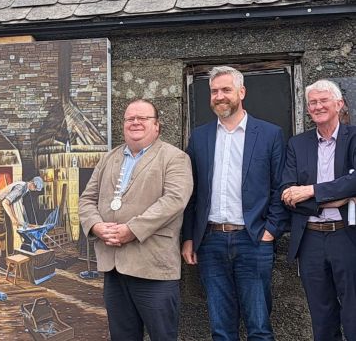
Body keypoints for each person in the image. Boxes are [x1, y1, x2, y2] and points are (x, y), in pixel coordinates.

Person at [182, 66, 288, 341]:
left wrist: (270, 231)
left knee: (260, 328)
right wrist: (189, 238)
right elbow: (192, 194)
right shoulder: (200, 137)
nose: (220, 96)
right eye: (214, 91)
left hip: (253, 240)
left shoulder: (269, 134)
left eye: (226, 90)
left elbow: (280, 187)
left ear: (241, 92)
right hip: (211, 242)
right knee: (221, 329)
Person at [79, 99, 193, 341]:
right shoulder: (108, 159)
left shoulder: (175, 158)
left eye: (143, 118)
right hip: (114, 267)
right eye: (130, 118)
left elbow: (174, 200)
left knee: (163, 336)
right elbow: (86, 199)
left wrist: (132, 229)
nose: (136, 122)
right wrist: (96, 226)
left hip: (153, 267)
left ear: (157, 126)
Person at [280, 79, 356, 341]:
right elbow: (288, 192)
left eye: (323, 100)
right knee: (321, 316)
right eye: (312, 102)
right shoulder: (297, 144)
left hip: (347, 236)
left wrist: (312, 191)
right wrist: (340, 197)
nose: (318, 106)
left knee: (354, 313)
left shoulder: (354, 138)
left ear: (339, 104)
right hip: (310, 238)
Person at [0, 176, 43, 266]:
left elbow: (10, 203)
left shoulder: (24, 189)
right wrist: (13, 219)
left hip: (3, 206)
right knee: (3, 233)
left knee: (10, 232)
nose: (34, 190)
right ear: (32, 182)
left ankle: (8, 258)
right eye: (34, 187)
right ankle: (2, 261)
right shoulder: (21, 188)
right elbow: (5, 202)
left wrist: (15, 218)